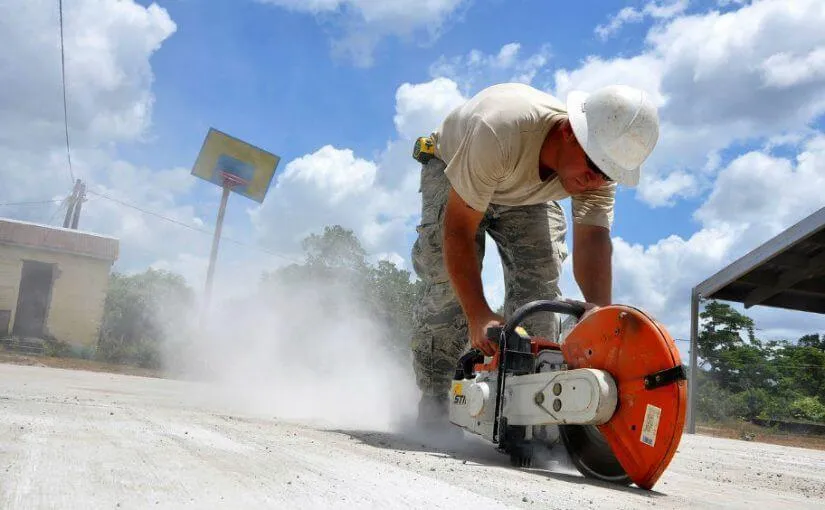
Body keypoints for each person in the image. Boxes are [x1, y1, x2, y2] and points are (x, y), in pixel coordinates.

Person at [409, 82, 660, 427]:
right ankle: (435, 403)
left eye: (606, 175)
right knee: (449, 291)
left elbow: (592, 240)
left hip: (523, 191)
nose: (595, 181)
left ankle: (522, 412)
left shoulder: (598, 169)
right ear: (571, 132)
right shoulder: (499, 130)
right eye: (592, 168)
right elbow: (458, 231)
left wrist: (598, 315)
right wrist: (479, 314)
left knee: (540, 292)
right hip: (456, 167)